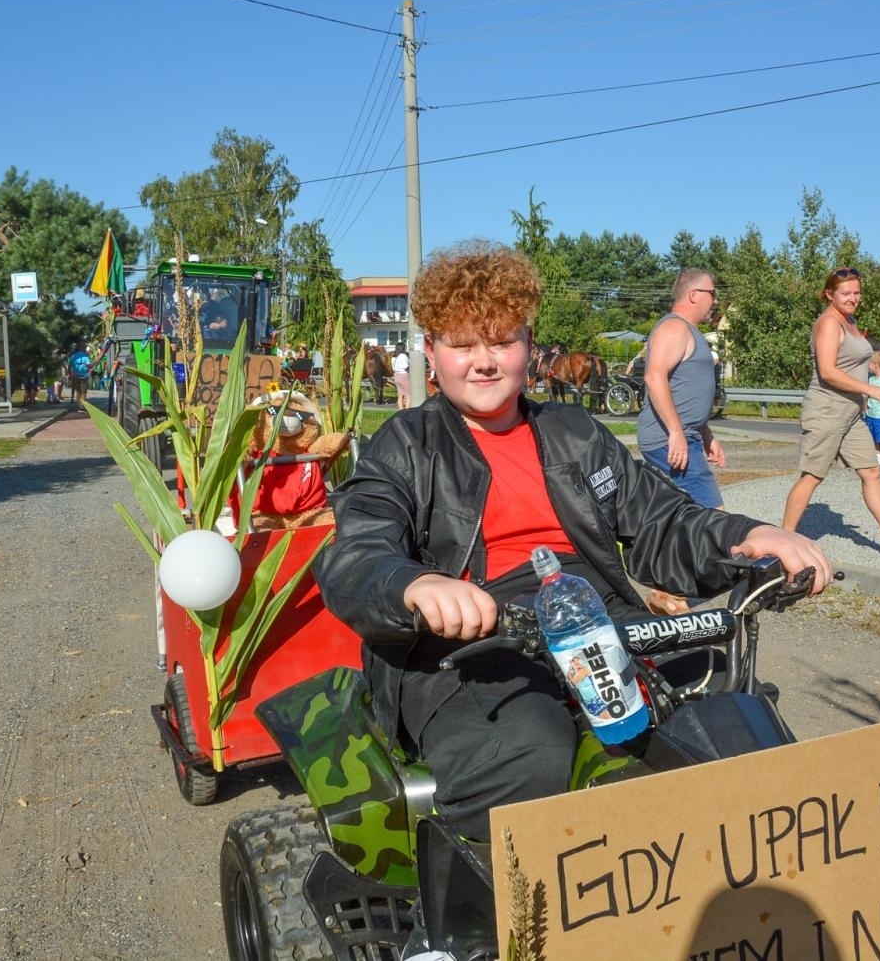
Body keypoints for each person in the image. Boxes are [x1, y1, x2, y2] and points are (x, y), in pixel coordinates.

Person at [314, 246, 833, 843]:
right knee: (526, 751)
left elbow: (660, 520)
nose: (484, 362)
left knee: (721, 706)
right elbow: (357, 553)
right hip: (466, 639)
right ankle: (489, 929)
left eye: (502, 341)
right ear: (432, 353)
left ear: (529, 347)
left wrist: (748, 535)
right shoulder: (404, 445)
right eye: (463, 344)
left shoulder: (575, 433)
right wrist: (417, 585)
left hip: (591, 609)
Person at [780, 267, 880, 553]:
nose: (853, 298)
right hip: (827, 409)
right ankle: (782, 542)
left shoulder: (849, 321)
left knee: (871, 471)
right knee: (812, 475)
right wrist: (870, 389)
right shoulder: (828, 324)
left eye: (857, 292)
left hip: (850, 414)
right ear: (829, 294)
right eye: (846, 293)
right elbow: (827, 372)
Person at [637, 269, 726, 508]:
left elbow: (686, 391)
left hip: (684, 435)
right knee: (715, 516)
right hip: (669, 438)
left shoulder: (688, 330)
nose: (715, 300)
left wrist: (706, 435)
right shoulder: (674, 328)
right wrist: (676, 433)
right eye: (712, 293)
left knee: (684, 515)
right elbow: (654, 377)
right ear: (694, 295)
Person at [391, 342, 411, 410]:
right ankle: (407, 411)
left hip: (396, 375)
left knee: (400, 395)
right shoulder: (403, 356)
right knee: (409, 394)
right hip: (404, 376)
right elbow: (406, 367)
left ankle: (401, 411)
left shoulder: (394, 357)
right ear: (403, 348)